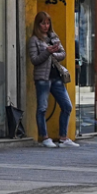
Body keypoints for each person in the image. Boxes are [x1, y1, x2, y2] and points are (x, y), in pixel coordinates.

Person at [28, 12, 78, 148]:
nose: (46, 26)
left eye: (48, 23)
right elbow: (34, 60)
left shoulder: (53, 36)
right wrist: (47, 52)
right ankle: (44, 137)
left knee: (67, 106)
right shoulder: (34, 40)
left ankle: (63, 137)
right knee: (42, 108)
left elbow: (63, 53)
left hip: (56, 76)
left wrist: (53, 52)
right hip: (43, 78)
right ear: (38, 24)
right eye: (43, 23)